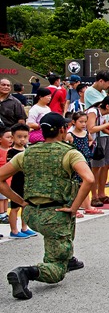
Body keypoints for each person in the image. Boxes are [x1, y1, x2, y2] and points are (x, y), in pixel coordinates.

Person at [2, 113, 94, 300]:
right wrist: (75, 207)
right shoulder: (69, 152)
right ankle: (26, 273)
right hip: (56, 216)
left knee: (62, 228)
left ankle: (67, 256)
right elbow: (89, 179)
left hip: (30, 214)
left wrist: (20, 201)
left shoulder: (27, 152)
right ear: (62, 129)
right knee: (57, 271)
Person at [86, 96, 109, 208]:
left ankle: (102, 194)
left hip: (103, 139)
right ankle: (94, 196)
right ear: (107, 106)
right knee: (95, 168)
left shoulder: (104, 114)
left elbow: (103, 127)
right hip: (94, 142)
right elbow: (91, 128)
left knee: (105, 166)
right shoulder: (93, 111)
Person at [66, 112, 102, 217]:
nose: (83, 124)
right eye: (81, 122)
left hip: (85, 161)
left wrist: (88, 148)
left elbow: (90, 140)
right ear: (73, 122)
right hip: (75, 163)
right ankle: (75, 206)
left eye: (85, 122)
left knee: (85, 184)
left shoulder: (86, 133)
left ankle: (87, 206)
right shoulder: (70, 135)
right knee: (75, 186)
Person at [4, 124, 36, 238]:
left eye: (25, 136)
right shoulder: (11, 152)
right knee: (15, 207)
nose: (22, 139)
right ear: (12, 137)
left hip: (27, 182)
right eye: (19, 137)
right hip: (16, 182)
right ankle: (14, 230)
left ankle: (24, 227)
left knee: (26, 206)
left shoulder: (28, 150)